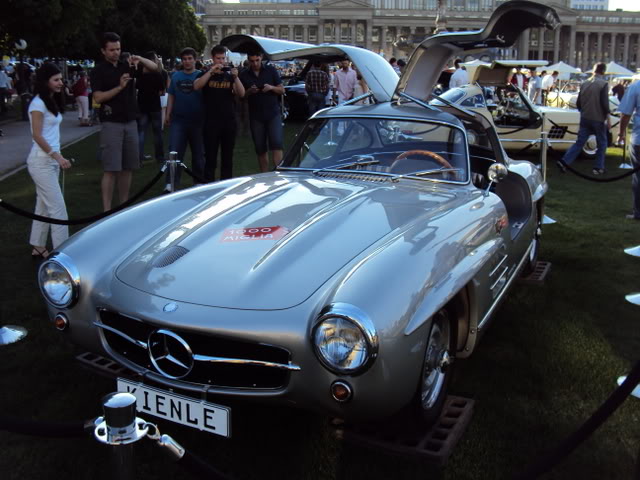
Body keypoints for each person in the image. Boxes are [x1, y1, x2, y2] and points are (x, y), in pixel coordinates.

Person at [91, 32, 158, 211]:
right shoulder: (98, 71)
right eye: (112, 49)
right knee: (111, 168)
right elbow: (98, 97)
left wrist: (141, 59)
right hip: (111, 122)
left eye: (118, 49)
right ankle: (106, 210)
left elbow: (155, 68)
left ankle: (123, 206)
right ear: (103, 51)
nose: (116, 53)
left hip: (130, 121)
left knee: (128, 167)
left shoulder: (126, 66)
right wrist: (119, 87)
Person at [26, 63, 73, 258]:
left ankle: (38, 246)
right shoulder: (37, 104)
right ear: (45, 82)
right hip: (41, 161)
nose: (60, 82)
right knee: (58, 209)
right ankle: (62, 253)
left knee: (43, 206)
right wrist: (57, 156)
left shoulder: (50, 101)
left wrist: (56, 157)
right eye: (56, 79)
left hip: (50, 161)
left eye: (60, 79)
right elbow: (37, 136)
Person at [194, 45, 245, 182]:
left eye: (223, 58)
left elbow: (241, 93)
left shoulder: (229, 75)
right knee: (210, 157)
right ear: (213, 58)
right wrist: (211, 72)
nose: (221, 61)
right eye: (218, 58)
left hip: (229, 121)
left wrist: (236, 77)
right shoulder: (205, 74)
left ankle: (225, 186)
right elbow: (197, 86)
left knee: (227, 158)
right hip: (211, 121)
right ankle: (209, 185)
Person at [558, 63, 610, 176]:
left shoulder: (585, 83)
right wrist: (608, 117)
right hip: (598, 118)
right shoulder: (603, 84)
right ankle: (598, 167)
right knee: (602, 143)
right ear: (603, 72)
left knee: (579, 142)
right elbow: (604, 103)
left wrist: (583, 111)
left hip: (585, 117)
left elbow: (578, 102)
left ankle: (564, 162)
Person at [164, 47, 206, 190]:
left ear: (195, 60)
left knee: (198, 153)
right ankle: (171, 182)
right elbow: (171, 96)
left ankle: (198, 182)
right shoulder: (176, 76)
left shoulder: (201, 75)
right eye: (184, 59)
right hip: (179, 120)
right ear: (181, 61)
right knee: (175, 152)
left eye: (190, 59)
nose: (187, 62)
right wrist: (168, 113)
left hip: (198, 121)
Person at [239, 51, 285, 172]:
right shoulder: (244, 74)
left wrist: (271, 87)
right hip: (256, 116)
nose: (255, 63)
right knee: (260, 148)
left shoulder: (271, 70)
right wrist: (249, 91)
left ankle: (279, 174)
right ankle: (264, 175)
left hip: (273, 114)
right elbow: (240, 95)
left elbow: (282, 90)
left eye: (257, 60)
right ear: (248, 60)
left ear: (261, 58)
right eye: (252, 61)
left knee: (276, 144)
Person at [135, 51, 165, 165]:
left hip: (142, 105)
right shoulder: (157, 74)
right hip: (155, 106)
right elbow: (162, 90)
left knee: (141, 132)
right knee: (157, 133)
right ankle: (160, 157)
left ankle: (139, 158)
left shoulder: (140, 74)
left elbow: (136, 87)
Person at [617, 77, 640, 220]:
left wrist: (621, 133)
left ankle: (638, 212)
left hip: (639, 139)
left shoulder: (636, 86)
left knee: (638, 177)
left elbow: (625, 113)